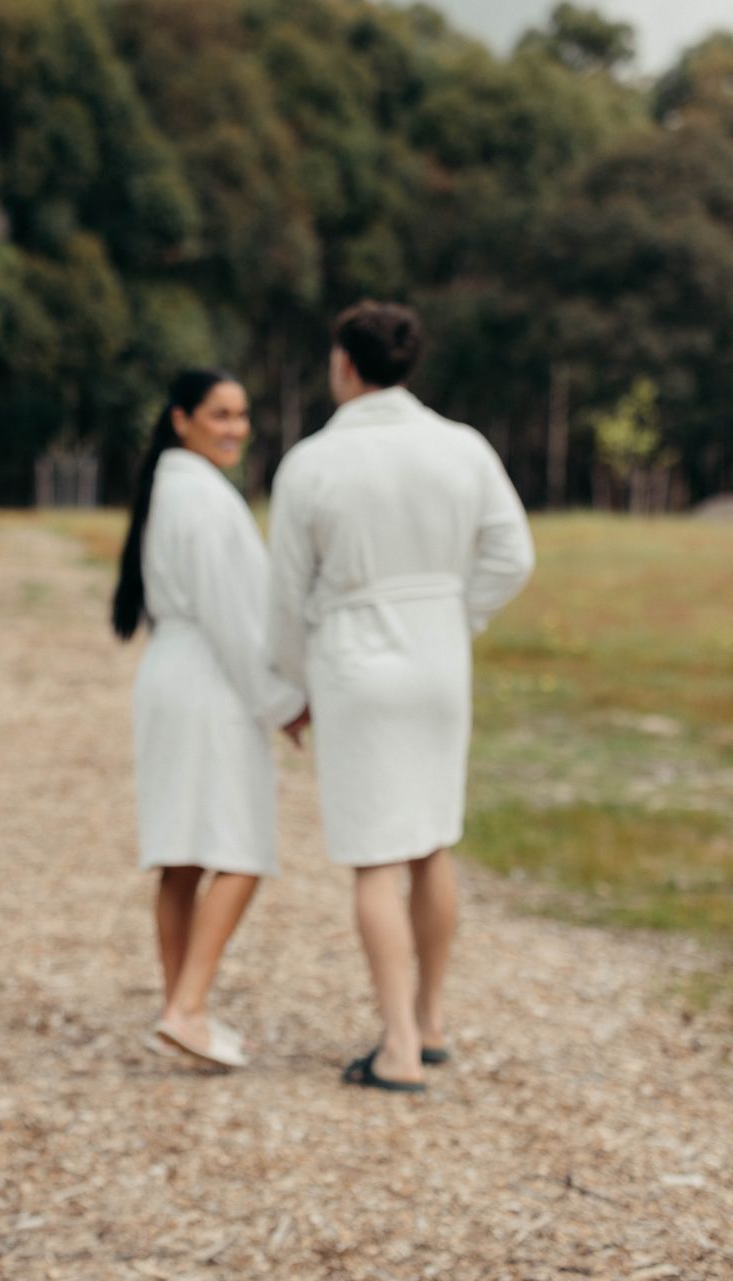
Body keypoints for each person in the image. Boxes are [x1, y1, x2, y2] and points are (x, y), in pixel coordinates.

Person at [267, 301, 534, 1092]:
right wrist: (459, 610)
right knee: (430, 842)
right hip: (439, 659)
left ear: (346, 364)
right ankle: (430, 1017)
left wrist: (294, 686)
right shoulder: (463, 447)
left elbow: (284, 596)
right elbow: (512, 555)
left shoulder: (311, 462)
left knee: (374, 859)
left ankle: (396, 1047)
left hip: (356, 664)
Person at [115, 369, 308, 1070]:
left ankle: (182, 1009)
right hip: (206, 680)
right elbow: (234, 618)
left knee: (184, 852)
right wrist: (283, 703)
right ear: (180, 419)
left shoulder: (177, 489)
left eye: (242, 414)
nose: (234, 428)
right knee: (240, 848)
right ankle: (185, 1007)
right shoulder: (199, 497)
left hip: (176, 671)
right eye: (219, 414)